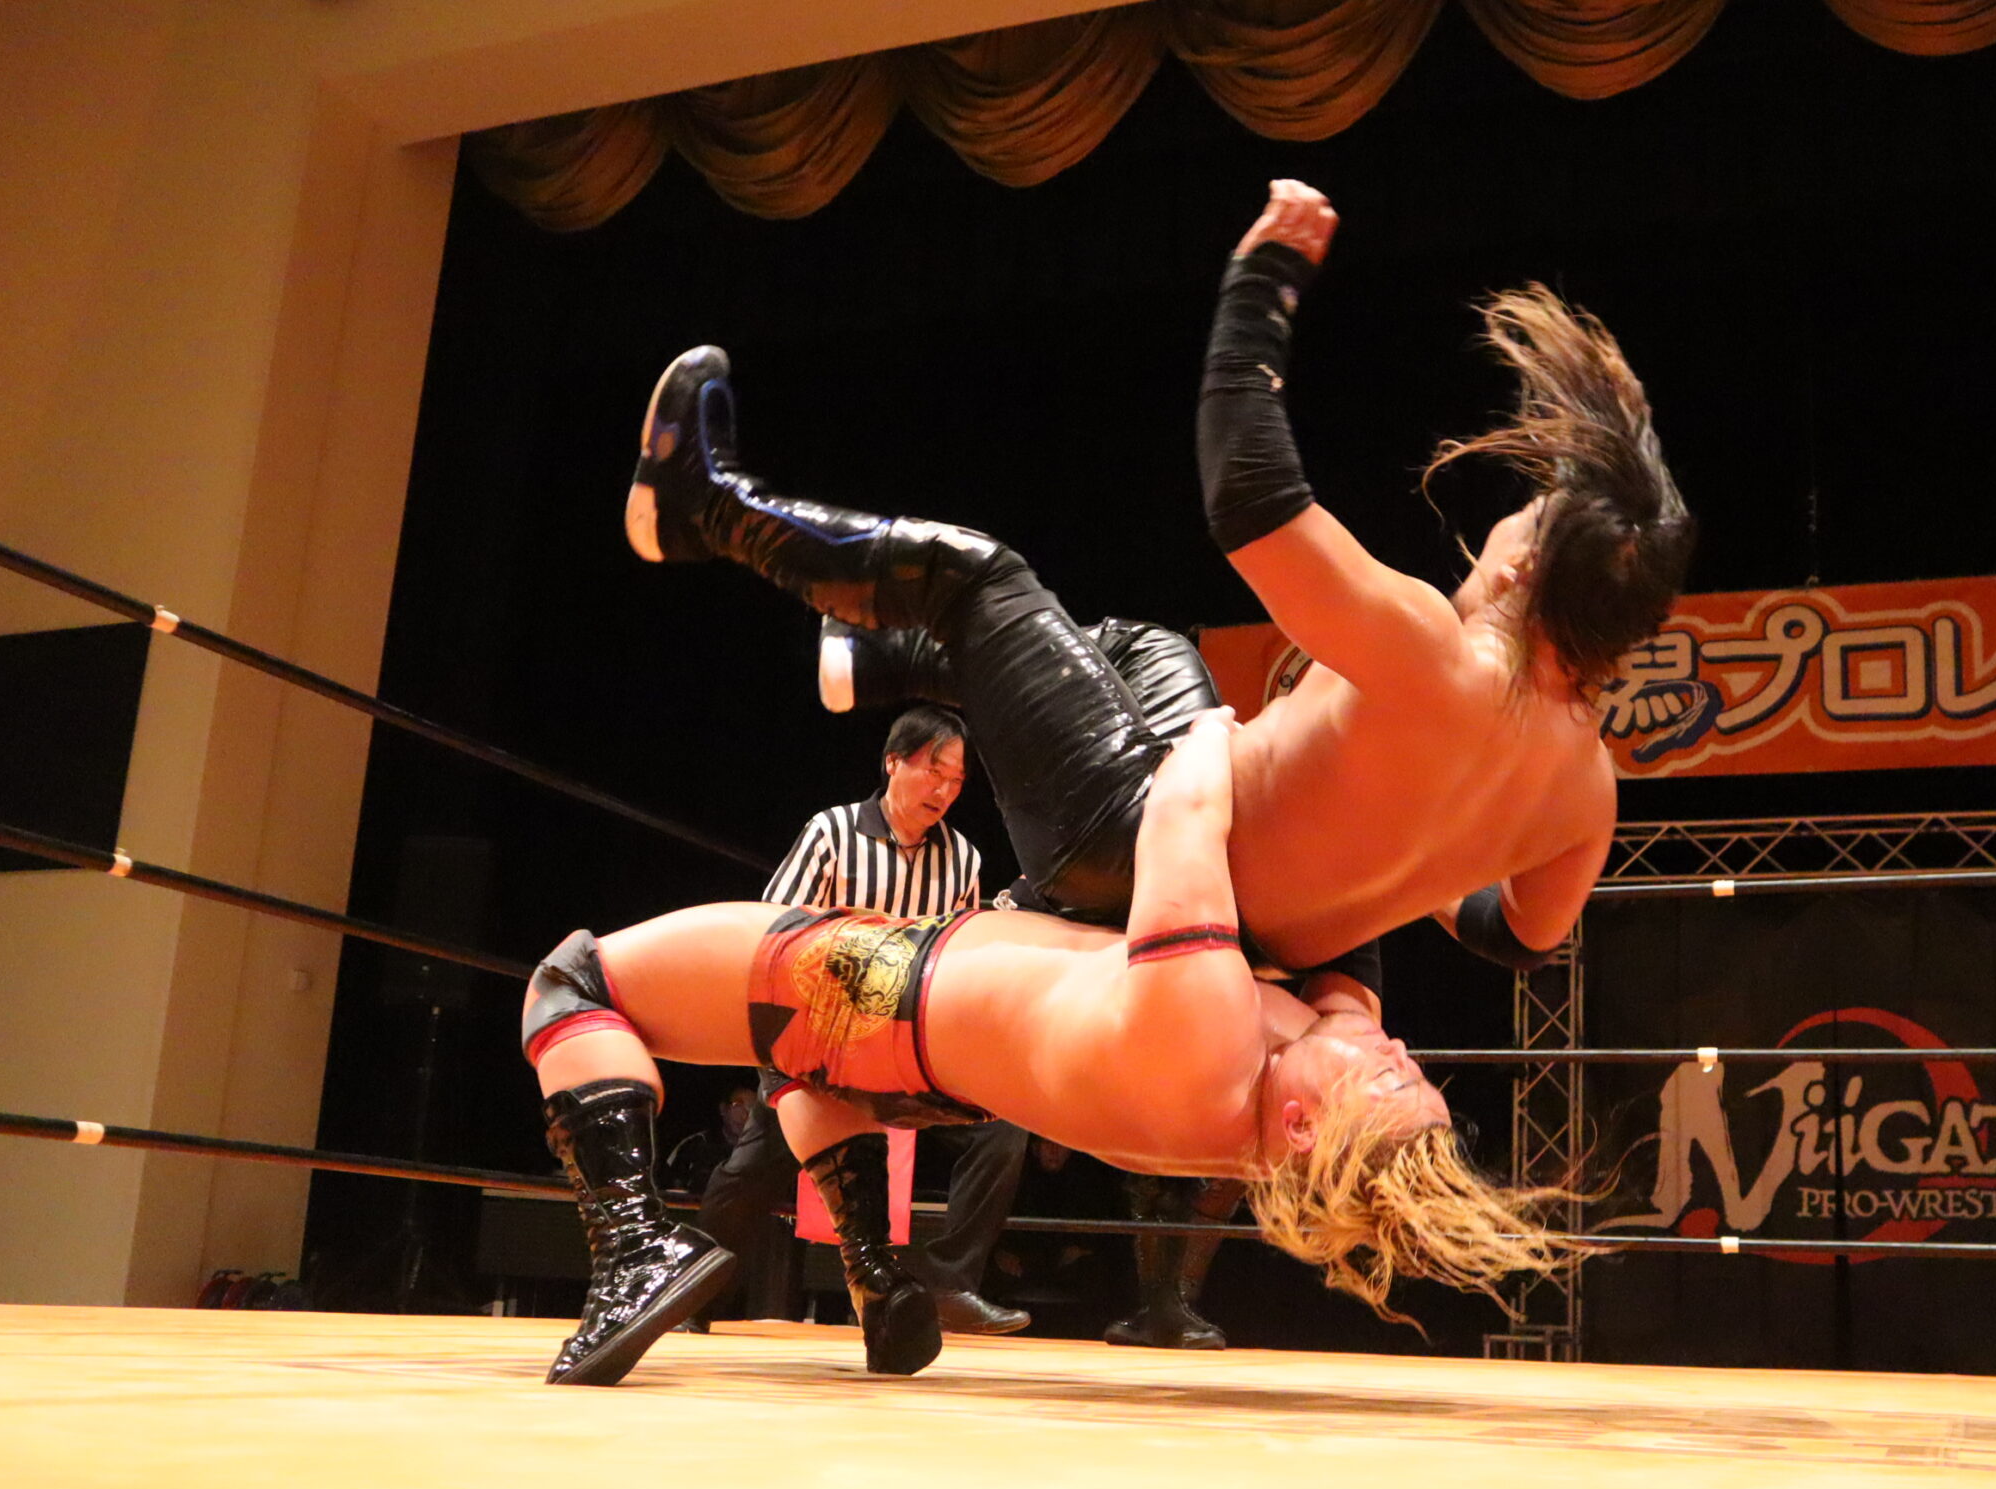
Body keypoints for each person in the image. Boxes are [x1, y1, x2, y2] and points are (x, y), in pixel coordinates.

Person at [622, 176, 1690, 984]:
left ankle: (703, 514)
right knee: (1146, 646)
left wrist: (1263, 285)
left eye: (1524, 514)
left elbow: (1250, 499)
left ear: (1525, 562)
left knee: (976, 578)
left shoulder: (1434, 652)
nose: (1503, 525)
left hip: (1144, 846)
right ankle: (881, 663)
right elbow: (1519, 939)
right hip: (1233, 896)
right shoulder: (1582, 797)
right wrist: (1417, 867)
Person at [522, 711, 1573, 1387]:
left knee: (575, 981)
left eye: (1389, 1078)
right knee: (806, 1069)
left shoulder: (1209, 1046)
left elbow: (1183, 818)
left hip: (887, 983)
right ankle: (882, 1284)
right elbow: (1351, 952)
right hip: (929, 1058)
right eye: (1411, 1068)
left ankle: (632, 1249)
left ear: (1306, 1128)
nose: (1399, 1050)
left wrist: (1224, 731)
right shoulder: (1283, 1082)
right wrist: (1433, 870)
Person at [694, 705, 1033, 1335]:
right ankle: (692, 1293)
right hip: (815, 1037)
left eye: (957, 780)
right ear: (893, 763)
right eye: (933, 771)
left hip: (904, 1048)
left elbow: (953, 959)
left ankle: (950, 1282)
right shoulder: (832, 832)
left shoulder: (962, 857)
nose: (944, 790)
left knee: (1001, 1126)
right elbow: (772, 932)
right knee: (756, 1169)